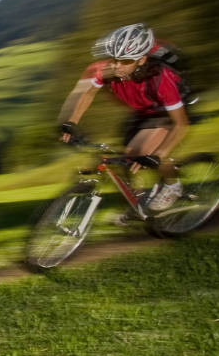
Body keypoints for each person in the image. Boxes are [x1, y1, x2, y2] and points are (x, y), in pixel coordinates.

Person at [58, 23, 190, 219]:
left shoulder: (161, 79)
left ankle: (174, 186)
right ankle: (136, 202)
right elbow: (88, 94)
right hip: (143, 111)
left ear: (142, 59)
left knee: (147, 153)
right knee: (126, 158)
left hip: (168, 113)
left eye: (125, 61)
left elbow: (181, 125)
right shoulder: (109, 70)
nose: (117, 66)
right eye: (115, 60)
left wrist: (159, 154)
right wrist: (71, 122)